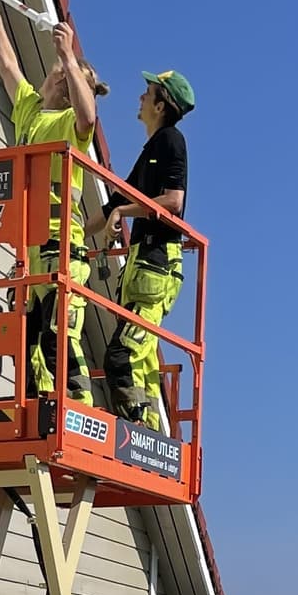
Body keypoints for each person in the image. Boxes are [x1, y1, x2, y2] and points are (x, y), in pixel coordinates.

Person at [0, 0, 108, 404]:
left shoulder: (71, 123)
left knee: (58, 339)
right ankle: (39, 412)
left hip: (60, 248)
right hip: (30, 251)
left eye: (59, 73)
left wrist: (71, 58)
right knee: (28, 345)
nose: (52, 74)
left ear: (67, 88)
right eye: (56, 70)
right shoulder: (32, 112)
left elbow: (90, 116)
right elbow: (6, 63)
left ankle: (78, 414)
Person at [90, 70, 196, 427]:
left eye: (146, 93)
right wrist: (68, 231)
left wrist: (121, 212)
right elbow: (113, 204)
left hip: (157, 263)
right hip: (143, 265)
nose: (139, 99)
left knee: (122, 356)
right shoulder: (152, 148)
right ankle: (153, 433)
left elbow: (173, 201)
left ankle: (135, 432)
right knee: (144, 362)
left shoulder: (171, 140)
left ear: (161, 105)